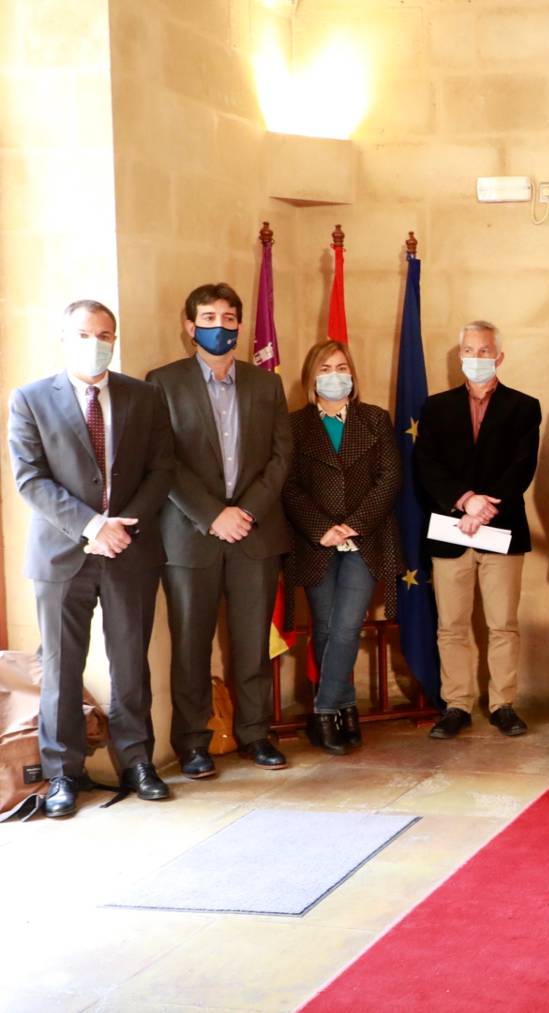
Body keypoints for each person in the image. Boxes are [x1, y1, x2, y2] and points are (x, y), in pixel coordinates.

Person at [8, 300, 175, 815]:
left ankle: (136, 761)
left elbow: (161, 468)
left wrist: (121, 528)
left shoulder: (144, 397)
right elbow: (30, 478)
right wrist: (92, 526)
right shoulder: (30, 398)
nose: (96, 342)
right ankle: (63, 774)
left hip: (130, 550)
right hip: (62, 556)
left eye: (106, 334)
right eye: (85, 333)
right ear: (64, 337)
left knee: (130, 663)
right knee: (61, 667)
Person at [148, 283, 294, 777]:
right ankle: (192, 742)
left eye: (228, 318)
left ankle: (256, 733)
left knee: (252, 642)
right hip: (192, 536)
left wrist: (245, 511)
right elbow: (162, 460)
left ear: (239, 325)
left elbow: (281, 457)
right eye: (208, 318)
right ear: (190, 326)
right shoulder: (162, 382)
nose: (219, 327)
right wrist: (212, 514)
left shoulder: (265, 384)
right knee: (191, 644)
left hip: (255, 533)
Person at [413, 321, 542, 740]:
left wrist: (483, 507)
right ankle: (457, 704)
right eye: (468, 350)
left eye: (484, 351)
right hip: (451, 529)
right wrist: (465, 500)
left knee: (502, 624)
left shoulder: (525, 407)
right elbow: (427, 467)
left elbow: (521, 468)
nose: (476, 358)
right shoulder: (435, 408)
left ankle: (503, 703)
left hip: (502, 530)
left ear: (498, 357)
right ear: (459, 356)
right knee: (451, 625)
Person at [281, 341, 401, 755]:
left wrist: (353, 525)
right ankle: (346, 708)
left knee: (348, 625)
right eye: (326, 368)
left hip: (365, 540)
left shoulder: (374, 419)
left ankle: (323, 710)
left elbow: (389, 478)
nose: (335, 374)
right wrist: (324, 529)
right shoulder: (294, 425)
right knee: (326, 628)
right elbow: (289, 486)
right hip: (315, 543)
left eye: (342, 366)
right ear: (312, 377)